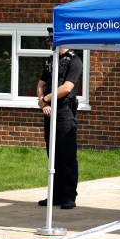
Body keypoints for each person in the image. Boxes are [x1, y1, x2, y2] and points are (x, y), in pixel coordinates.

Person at [37, 27, 83, 209]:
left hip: (64, 112)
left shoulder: (75, 61)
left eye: (52, 41)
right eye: (49, 41)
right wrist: (43, 103)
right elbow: (40, 84)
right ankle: (55, 196)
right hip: (49, 111)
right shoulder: (50, 61)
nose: (50, 44)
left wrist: (45, 99)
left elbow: (67, 88)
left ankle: (68, 196)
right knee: (53, 155)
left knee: (67, 155)